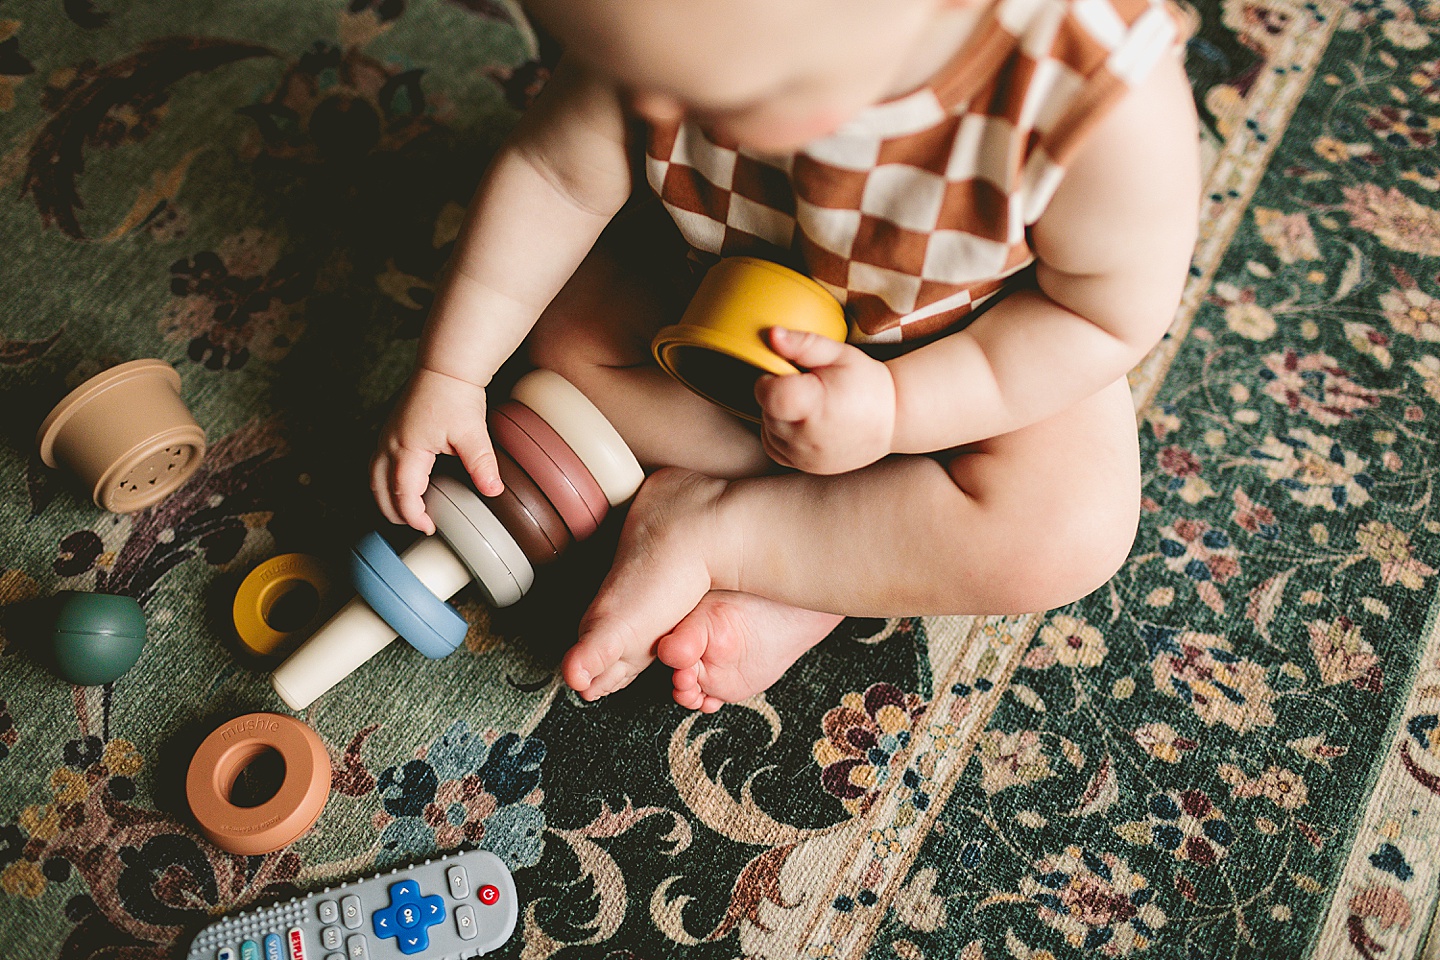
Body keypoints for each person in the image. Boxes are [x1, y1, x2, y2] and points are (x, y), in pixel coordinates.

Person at [371, 0, 1201, 712]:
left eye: (722, 95)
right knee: (558, 336)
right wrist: (453, 372)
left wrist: (898, 410)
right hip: (711, 311)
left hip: (965, 356)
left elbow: (1095, 321)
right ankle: (845, 540)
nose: (656, 109)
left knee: (1066, 527)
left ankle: (727, 535)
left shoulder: (1095, 99)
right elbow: (556, 174)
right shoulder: (681, 37)